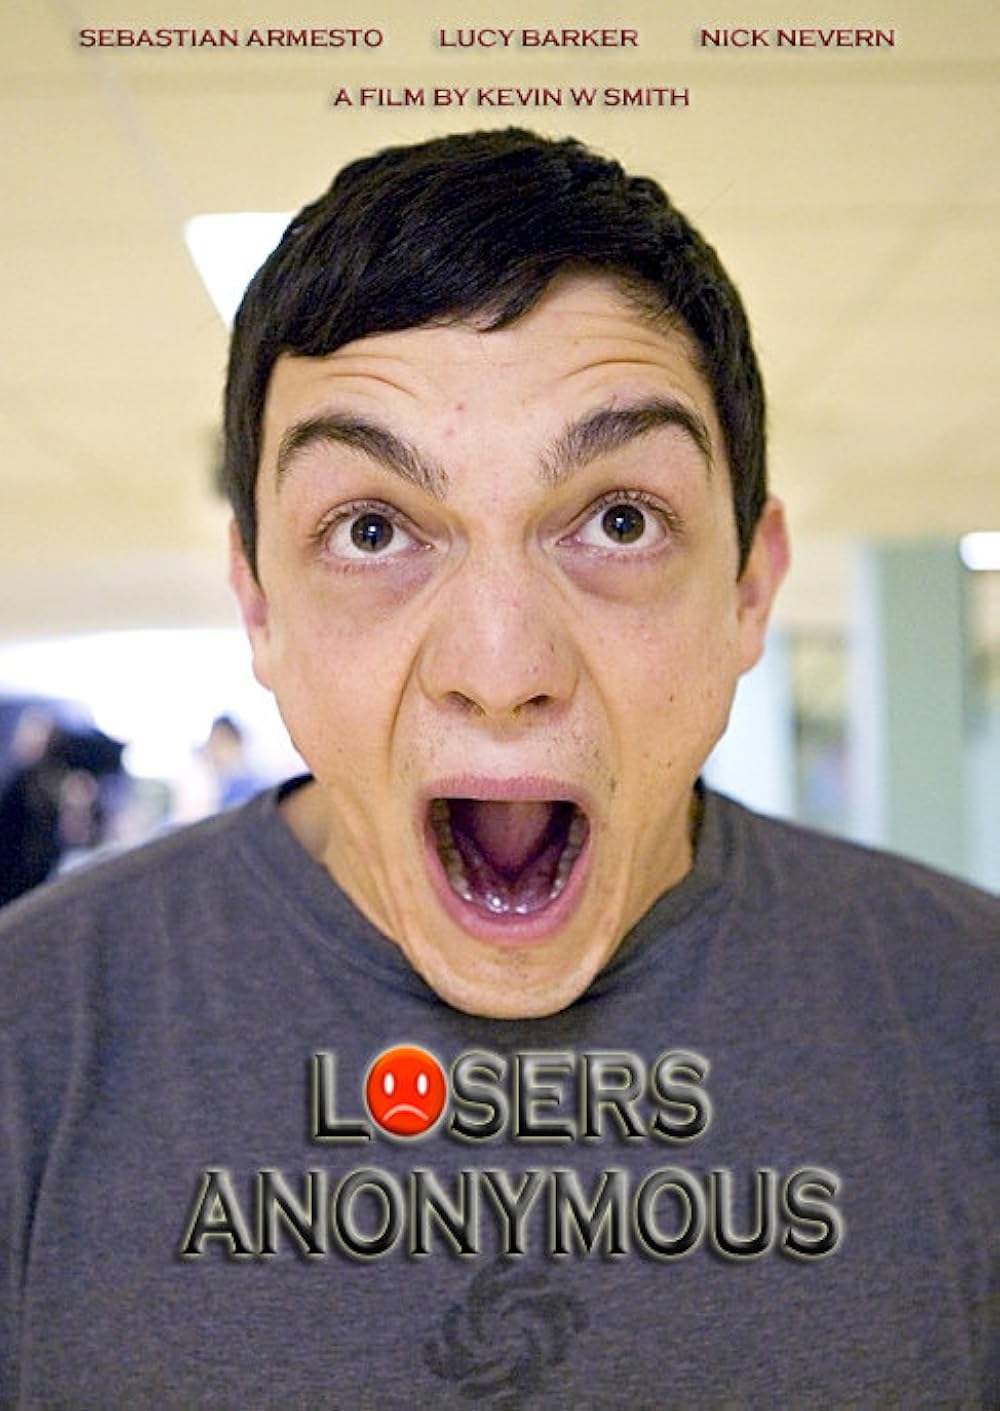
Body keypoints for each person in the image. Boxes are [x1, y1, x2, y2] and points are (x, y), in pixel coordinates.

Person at [0, 129, 995, 1409]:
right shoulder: (30, 1040)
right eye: (372, 529)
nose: (501, 665)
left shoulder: (971, 1020)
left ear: (750, 586)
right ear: (259, 605)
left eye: (620, 520)